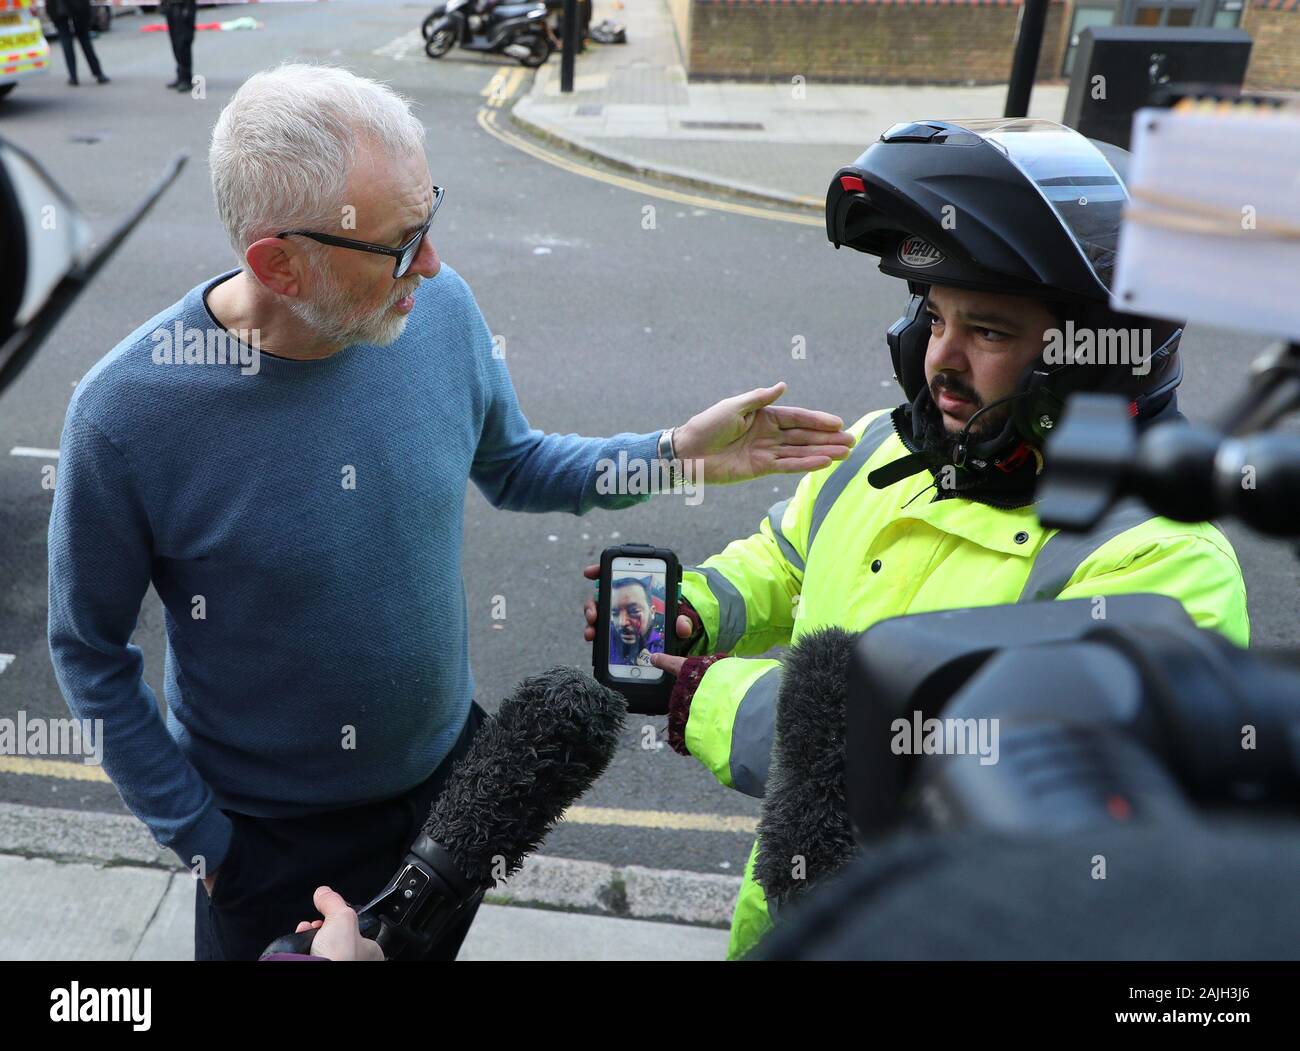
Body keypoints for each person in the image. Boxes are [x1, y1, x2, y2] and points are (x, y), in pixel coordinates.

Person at [46, 63, 854, 961]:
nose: (430, 262)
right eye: (401, 242)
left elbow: (514, 464)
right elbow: (88, 649)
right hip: (268, 843)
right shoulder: (126, 414)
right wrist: (206, 842)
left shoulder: (433, 308)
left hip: (456, 796)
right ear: (278, 262)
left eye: (430, 220)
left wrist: (675, 454)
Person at [582, 118, 1249, 960]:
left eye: (990, 331)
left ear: (1096, 359)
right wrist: (696, 610)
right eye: (932, 317)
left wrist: (712, 699)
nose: (941, 358)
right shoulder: (880, 447)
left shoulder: (1161, 556)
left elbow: (964, 769)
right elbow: (786, 562)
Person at [47, 0, 110, 86]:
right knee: (84, 38)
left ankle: (73, 77)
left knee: (66, 39)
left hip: (56, 6)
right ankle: (98, 73)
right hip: (78, 6)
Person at [608, 577, 662, 666]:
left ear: (652, 612)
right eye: (615, 613)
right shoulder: (606, 637)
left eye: (633, 611)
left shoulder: (662, 649)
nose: (622, 623)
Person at [159, 0, 197, 91]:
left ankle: (186, 79)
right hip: (170, 6)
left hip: (183, 6)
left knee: (183, 44)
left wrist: (188, 7)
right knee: (175, 44)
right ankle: (180, 75)